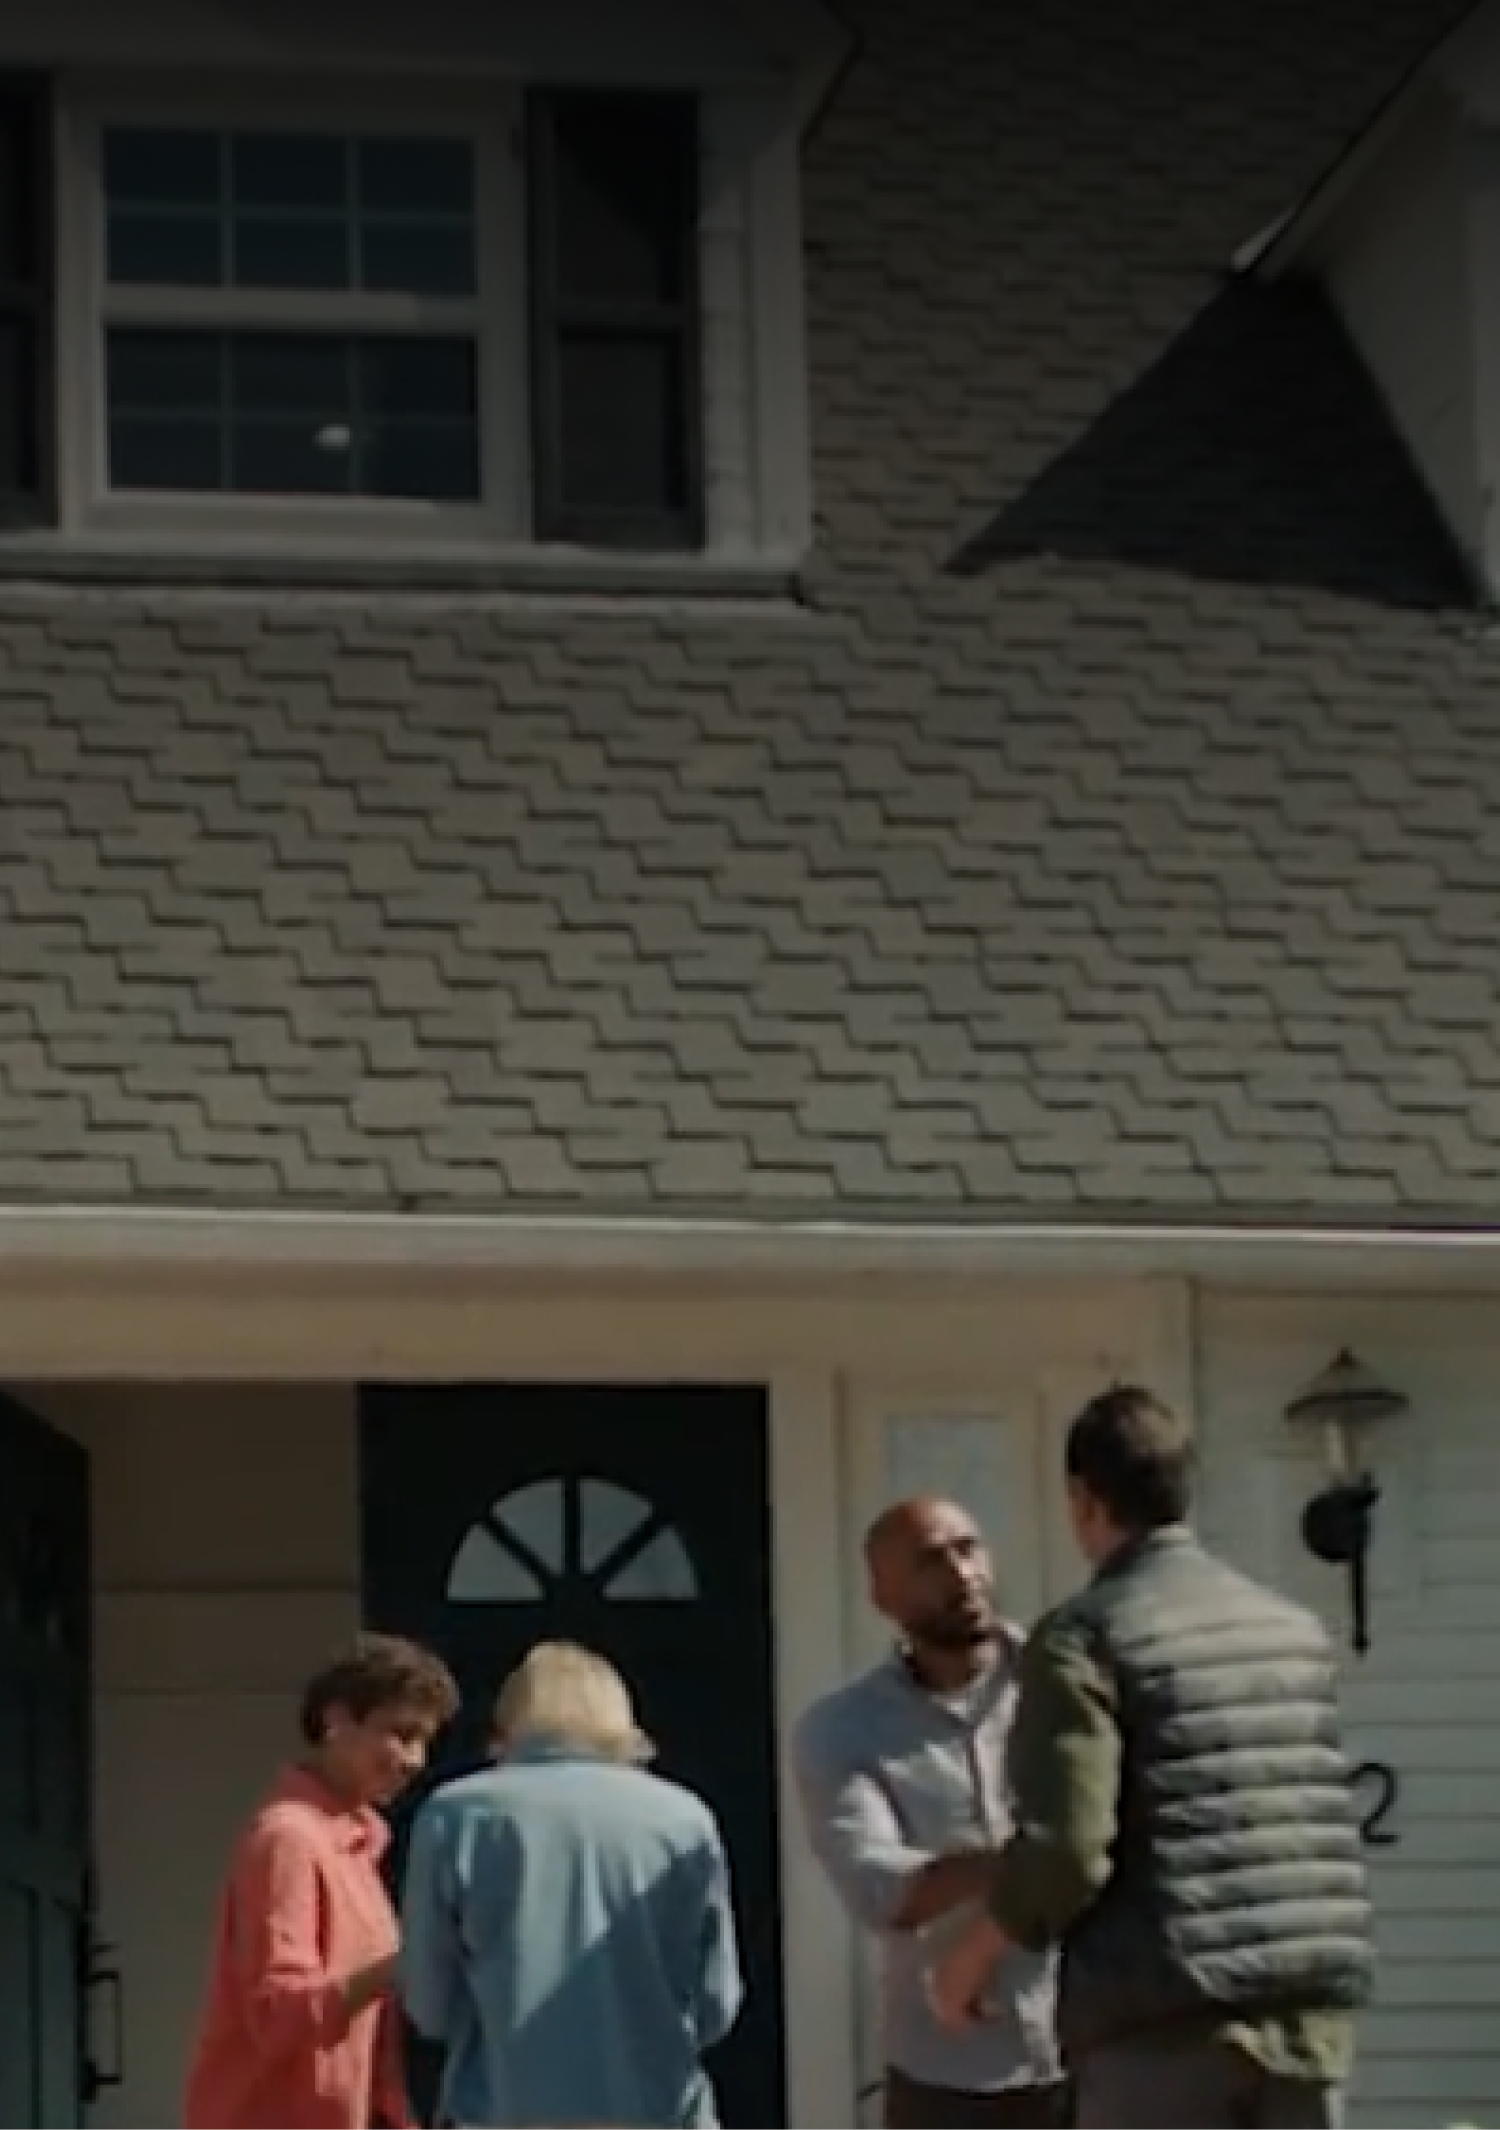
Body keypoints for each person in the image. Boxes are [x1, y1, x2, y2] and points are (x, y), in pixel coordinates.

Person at [931, 1386, 1373, 2129]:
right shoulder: (1292, 1631)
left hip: (1165, 2026)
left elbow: (1068, 1849)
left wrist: (971, 1959)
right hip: (1307, 2021)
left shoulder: (1087, 1637)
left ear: (1084, 1500)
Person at [792, 1497, 1064, 2129]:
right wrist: (1032, 1860)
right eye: (929, 1561)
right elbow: (881, 1889)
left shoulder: (1064, 1687)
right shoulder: (843, 1730)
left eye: (968, 1549)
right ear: (882, 1595)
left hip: (1089, 2047)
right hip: (948, 2072)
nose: (961, 1574)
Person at [399, 1639, 744, 2128]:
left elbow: (429, 2006)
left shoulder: (457, 1816)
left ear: (510, 1720)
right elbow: (717, 2005)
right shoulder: (685, 1819)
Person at [184, 1631, 460, 2129]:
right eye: (399, 1734)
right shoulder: (289, 1841)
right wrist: (397, 1968)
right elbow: (278, 2015)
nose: (414, 1760)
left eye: (424, 1741)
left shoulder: (356, 1846)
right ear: (335, 1720)